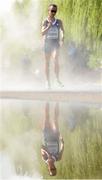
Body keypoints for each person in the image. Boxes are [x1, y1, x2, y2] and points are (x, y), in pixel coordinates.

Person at [41, 4, 64, 89]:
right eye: (52, 11)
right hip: (47, 44)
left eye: (55, 11)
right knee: (47, 63)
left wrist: (62, 38)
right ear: (48, 11)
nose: (53, 12)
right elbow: (42, 33)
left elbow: (62, 31)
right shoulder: (45, 21)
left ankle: (57, 80)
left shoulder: (59, 22)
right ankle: (47, 82)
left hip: (55, 44)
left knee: (55, 59)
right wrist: (48, 27)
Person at [41, 102, 64, 176]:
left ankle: (47, 99)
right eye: (54, 169)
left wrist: (48, 154)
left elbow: (42, 147)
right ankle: (57, 100)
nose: (53, 168)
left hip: (47, 135)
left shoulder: (44, 158)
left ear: (48, 169)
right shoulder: (58, 158)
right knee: (55, 119)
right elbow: (62, 147)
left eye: (51, 169)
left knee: (46, 116)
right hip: (55, 136)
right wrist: (62, 141)